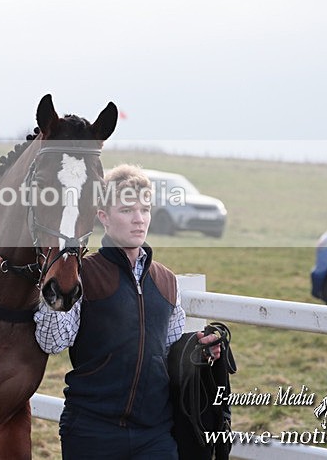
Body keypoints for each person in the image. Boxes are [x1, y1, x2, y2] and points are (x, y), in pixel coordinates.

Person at [34, 164, 221, 459]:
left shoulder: (167, 282)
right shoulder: (84, 275)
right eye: (127, 210)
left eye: (144, 210)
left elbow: (170, 352)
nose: (139, 219)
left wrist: (200, 348)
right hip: (92, 431)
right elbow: (52, 342)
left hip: (155, 432)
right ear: (104, 218)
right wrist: (57, 285)